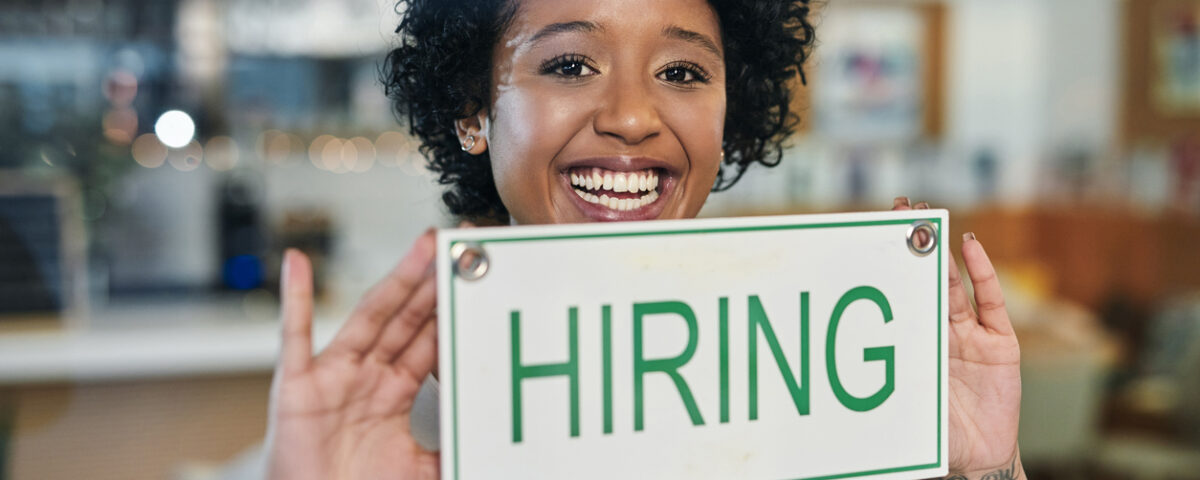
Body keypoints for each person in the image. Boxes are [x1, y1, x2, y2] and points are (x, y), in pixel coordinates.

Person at [264, 0, 1025, 479]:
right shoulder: (384, 423)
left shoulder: (816, 392)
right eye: (569, 64)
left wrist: (989, 467)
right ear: (472, 110)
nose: (632, 116)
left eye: (683, 72)